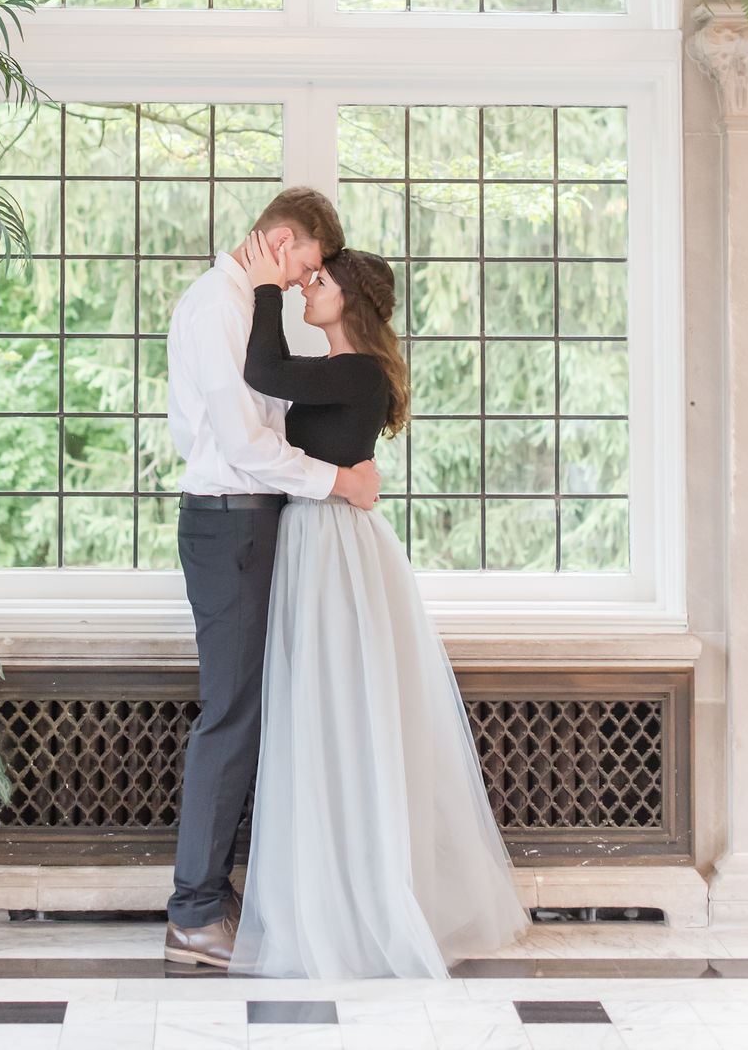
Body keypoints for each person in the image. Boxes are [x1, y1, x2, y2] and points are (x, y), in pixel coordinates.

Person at [228, 232, 529, 978]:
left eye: (317, 280)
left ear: (350, 300)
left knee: (338, 710)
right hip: (320, 534)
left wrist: (264, 284)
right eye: (303, 279)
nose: (306, 288)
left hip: (334, 546)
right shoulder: (341, 370)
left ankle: (357, 899)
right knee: (322, 711)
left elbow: (263, 366)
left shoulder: (358, 373)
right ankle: (331, 891)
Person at [163, 189, 381, 970]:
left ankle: (210, 895)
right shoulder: (219, 307)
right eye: (306, 268)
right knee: (232, 715)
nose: (300, 284)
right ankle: (193, 911)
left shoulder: (233, 303)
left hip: (245, 519)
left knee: (247, 711)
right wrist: (339, 483)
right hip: (230, 520)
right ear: (281, 240)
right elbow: (243, 445)